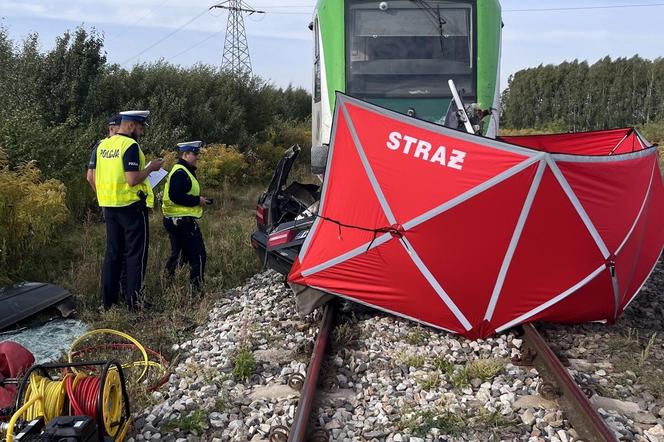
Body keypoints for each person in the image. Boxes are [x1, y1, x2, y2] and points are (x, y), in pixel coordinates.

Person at [91, 110, 163, 310]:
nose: (140, 133)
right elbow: (132, 179)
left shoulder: (103, 145)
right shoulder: (130, 145)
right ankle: (135, 302)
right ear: (131, 125)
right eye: (140, 128)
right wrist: (151, 168)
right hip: (131, 208)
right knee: (135, 255)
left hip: (109, 206)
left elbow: (93, 176)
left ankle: (108, 302)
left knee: (113, 254)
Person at [162, 141, 209, 291]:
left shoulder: (183, 170)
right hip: (182, 221)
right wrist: (197, 200)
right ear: (185, 154)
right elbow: (175, 196)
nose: (197, 157)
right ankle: (196, 291)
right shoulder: (181, 172)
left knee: (179, 254)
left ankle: (168, 283)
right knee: (198, 255)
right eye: (195, 154)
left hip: (176, 220)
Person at [86, 113, 121, 192]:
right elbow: (90, 176)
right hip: (117, 201)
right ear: (112, 128)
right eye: (121, 128)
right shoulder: (100, 145)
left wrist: (101, 196)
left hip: (107, 201)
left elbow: (90, 176)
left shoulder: (100, 145)